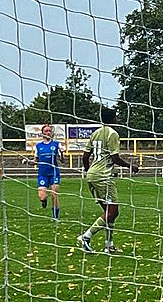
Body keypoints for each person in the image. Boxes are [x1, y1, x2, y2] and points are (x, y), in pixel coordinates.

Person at [77, 107, 139, 253]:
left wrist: (89, 171)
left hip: (92, 175)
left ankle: (109, 245)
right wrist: (130, 166)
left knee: (108, 212)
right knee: (113, 212)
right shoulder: (113, 134)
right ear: (113, 119)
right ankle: (86, 236)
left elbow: (85, 157)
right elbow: (114, 157)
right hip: (103, 176)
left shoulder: (95, 133)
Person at [24, 124, 63, 219]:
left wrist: (61, 153)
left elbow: (62, 161)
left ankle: (55, 216)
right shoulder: (38, 146)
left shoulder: (56, 144)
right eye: (46, 131)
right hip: (43, 174)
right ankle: (44, 201)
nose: (48, 132)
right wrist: (28, 162)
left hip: (54, 173)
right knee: (42, 196)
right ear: (42, 133)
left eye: (49, 130)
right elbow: (35, 161)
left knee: (54, 194)